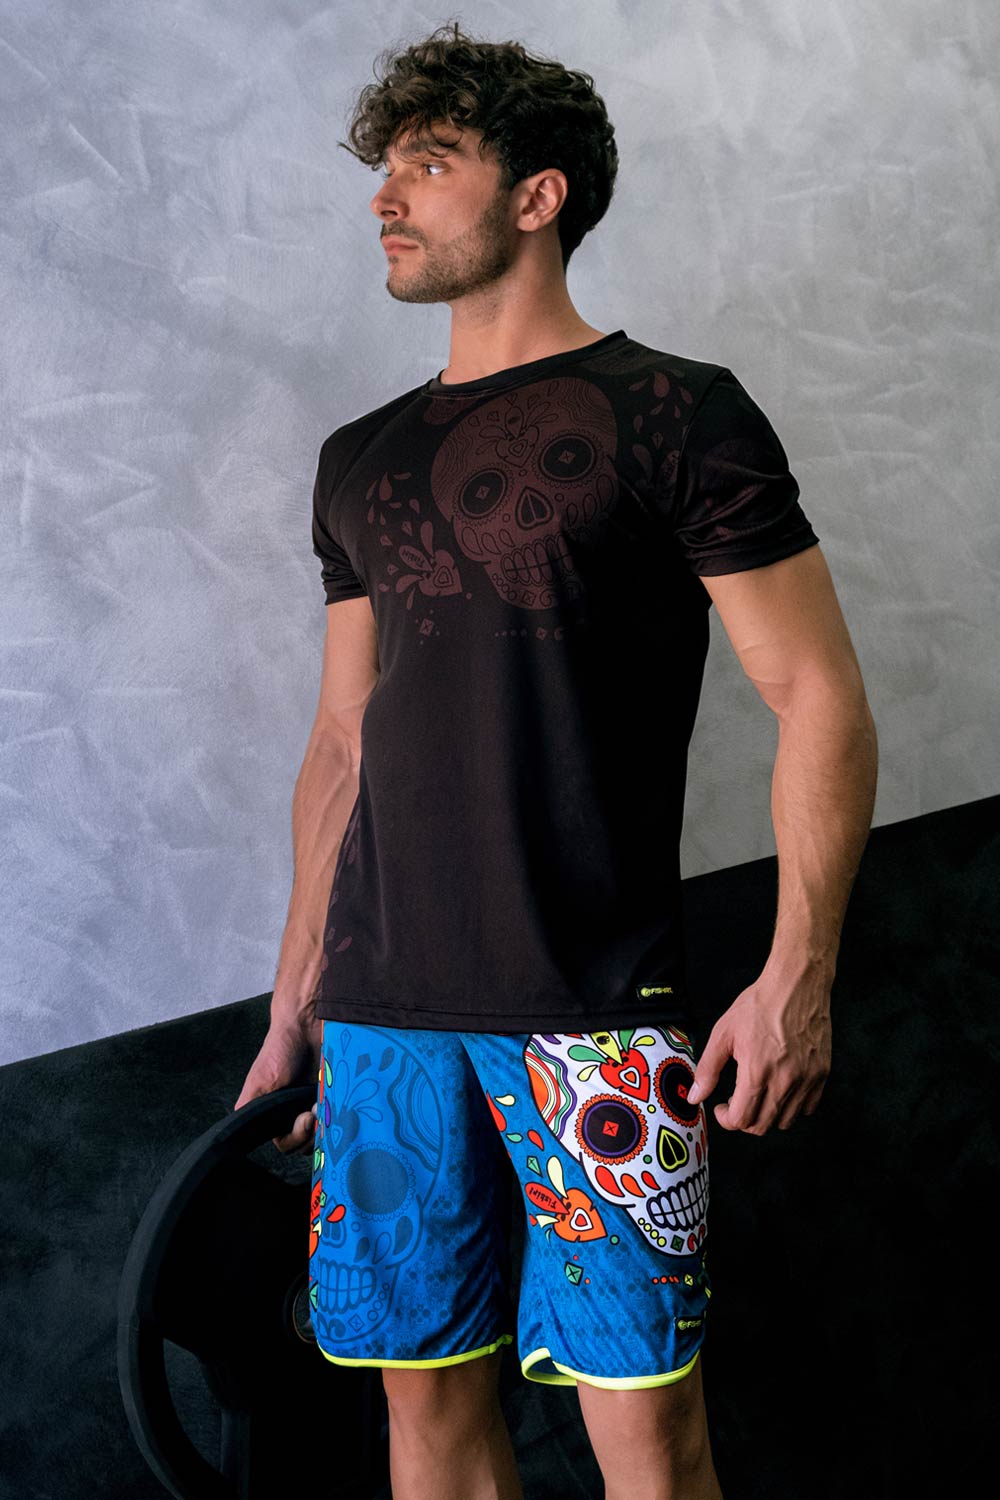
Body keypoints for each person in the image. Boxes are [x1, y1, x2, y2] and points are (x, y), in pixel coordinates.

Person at [234, 21, 878, 1500]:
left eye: (430, 163)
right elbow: (341, 739)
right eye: (385, 168)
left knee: (645, 1431)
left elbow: (819, 694)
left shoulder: (678, 413)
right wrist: (294, 1004)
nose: (386, 197)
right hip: (384, 1019)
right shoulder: (360, 459)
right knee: (424, 1420)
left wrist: (798, 974)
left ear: (538, 195)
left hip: (598, 1016)